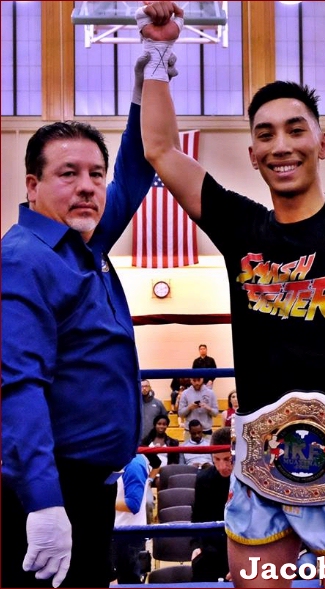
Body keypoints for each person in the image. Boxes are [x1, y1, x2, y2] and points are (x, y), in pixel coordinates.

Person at [136, 4, 325, 587]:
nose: (281, 145)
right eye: (265, 135)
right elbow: (160, 149)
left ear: (322, 143)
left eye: (295, 129)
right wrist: (158, 52)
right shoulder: (241, 227)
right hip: (260, 466)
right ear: (253, 155)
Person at [1, 54, 165, 589]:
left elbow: (135, 173)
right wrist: (43, 503)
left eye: (96, 174)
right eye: (68, 174)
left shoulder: (83, 241)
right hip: (47, 491)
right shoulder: (23, 260)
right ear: (32, 186)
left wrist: (146, 81)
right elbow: (17, 386)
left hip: (90, 488)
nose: (89, 186)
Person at [191, 427, 232, 582]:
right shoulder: (204, 479)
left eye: (227, 459)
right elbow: (198, 517)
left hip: (246, 547)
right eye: (216, 459)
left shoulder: (251, 480)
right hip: (213, 548)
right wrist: (196, 546)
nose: (222, 466)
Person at [110, 454, 151, 585]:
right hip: (115, 533)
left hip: (128, 537)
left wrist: (100, 500)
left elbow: (133, 504)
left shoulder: (134, 464)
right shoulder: (113, 459)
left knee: (128, 581)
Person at [140, 379, 168, 444]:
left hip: (154, 440)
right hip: (137, 440)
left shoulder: (158, 403)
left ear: (150, 387)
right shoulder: (134, 404)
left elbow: (165, 420)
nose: (144, 388)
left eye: (146, 386)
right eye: (142, 386)